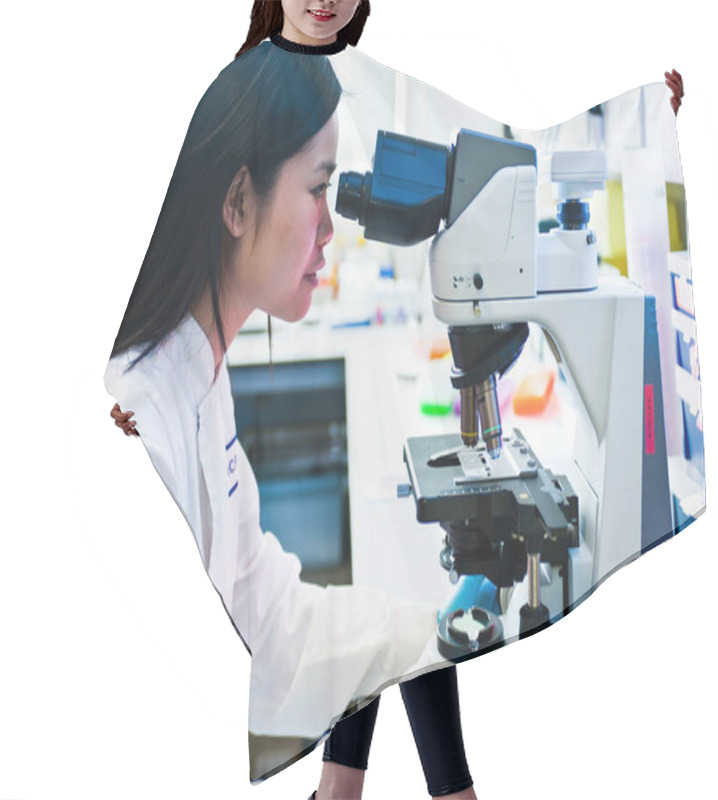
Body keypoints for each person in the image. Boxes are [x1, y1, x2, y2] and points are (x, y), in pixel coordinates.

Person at [108, 3, 481, 798]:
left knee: (395, 604)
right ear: (238, 202)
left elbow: (283, 606)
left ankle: (342, 790)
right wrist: (137, 384)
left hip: (305, 398)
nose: (331, 224)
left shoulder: (356, 85)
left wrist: (640, 123)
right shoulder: (249, 92)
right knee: (400, 606)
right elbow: (173, 218)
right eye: (320, 190)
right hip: (271, 384)